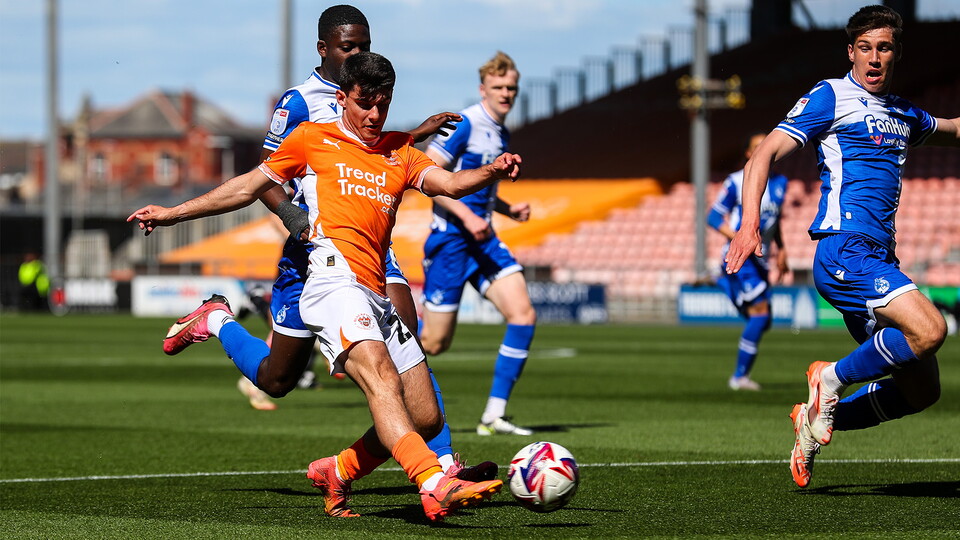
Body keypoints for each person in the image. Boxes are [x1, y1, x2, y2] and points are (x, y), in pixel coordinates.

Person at [128, 51, 520, 521]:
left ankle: (337, 469)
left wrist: (492, 171)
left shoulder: (398, 150)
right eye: (364, 104)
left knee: (425, 413)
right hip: (331, 281)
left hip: (374, 287)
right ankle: (433, 482)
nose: (374, 115)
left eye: (384, 104)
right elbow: (246, 186)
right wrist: (172, 214)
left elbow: (451, 184)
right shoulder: (312, 138)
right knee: (379, 378)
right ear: (342, 98)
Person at [725, 5, 959, 489]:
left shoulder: (904, 114)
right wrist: (749, 226)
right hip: (843, 250)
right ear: (851, 51)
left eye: (885, 48)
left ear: (896, 54)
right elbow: (764, 152)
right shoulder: (832, 96)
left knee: (922, 392)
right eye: (866, 48)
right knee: (932, 329)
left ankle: (812, 425)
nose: (875, 58)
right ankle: (829, 379)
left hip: (879, 259)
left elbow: (954, 129)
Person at [236, 4, 459, 413]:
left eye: (365, 46)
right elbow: (264, 178)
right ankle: (217, 319)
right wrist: (293, 217)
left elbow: (365, 149)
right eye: (348, 48)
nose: (358, 56)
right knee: (278, 379)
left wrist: (412, 135)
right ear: (323, 49)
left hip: (367, 240)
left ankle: (441, 464)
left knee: (406, 339)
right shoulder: (300, 102)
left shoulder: (367, 90)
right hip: (313, 245)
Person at [420, 51, 537, 437]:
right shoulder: (467, 123)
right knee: (434, 344)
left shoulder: (501, 132)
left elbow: (479, 187)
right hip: (452, 240)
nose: (506, 93)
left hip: (483, 239)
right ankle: (374, 344)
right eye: (499, 87)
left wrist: (505, 209)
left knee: (523, 314)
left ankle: (494, 415)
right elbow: (426, 176)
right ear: (483, 88)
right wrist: (468, 218)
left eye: (512, 88)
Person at [707, 132, 789, 391]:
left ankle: (723, 283)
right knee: (760, 313)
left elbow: (774, 222)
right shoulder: (735, 182)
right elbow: (713, 217)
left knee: (764, 320)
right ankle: (739, 377)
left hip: (761, 256)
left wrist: (782, 248)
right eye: (756, 146)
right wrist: (742, 236)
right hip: (743, 256)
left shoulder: (780, 183)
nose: (762, 149)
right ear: (747, 153)